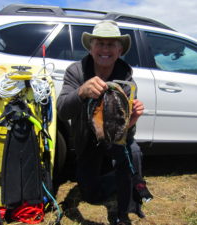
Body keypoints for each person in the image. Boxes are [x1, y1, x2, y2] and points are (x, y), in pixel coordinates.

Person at [57, 20, 152, 225]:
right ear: (91, 48)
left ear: (119, 50)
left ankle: (127, 208)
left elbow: (125, 135)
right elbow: (62, 110)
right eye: (100, 43)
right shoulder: (76, 72)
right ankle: (128, 178)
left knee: (132, 151)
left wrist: (131, 120)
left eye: (111, 45)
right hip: (87, 141)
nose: (105, 49)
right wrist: (81, 92)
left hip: (113, 139)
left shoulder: (127, 81)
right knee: (92, 196)